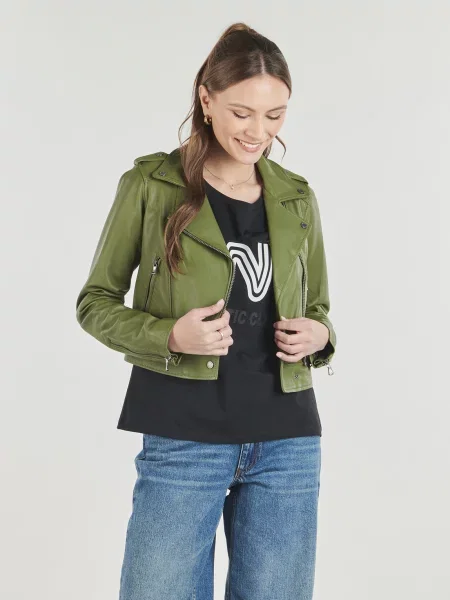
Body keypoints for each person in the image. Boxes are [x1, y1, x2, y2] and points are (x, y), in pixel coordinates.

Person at [76, 21, 337, 600]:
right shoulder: (151, 184)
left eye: (275, 115)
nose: (258, 131)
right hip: (183, 432)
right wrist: (170, 336)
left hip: (287, 440)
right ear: (206, 99)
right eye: (242, 112)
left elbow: (318, 306)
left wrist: (319, 335)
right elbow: (94, 303)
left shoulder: (296, 196)